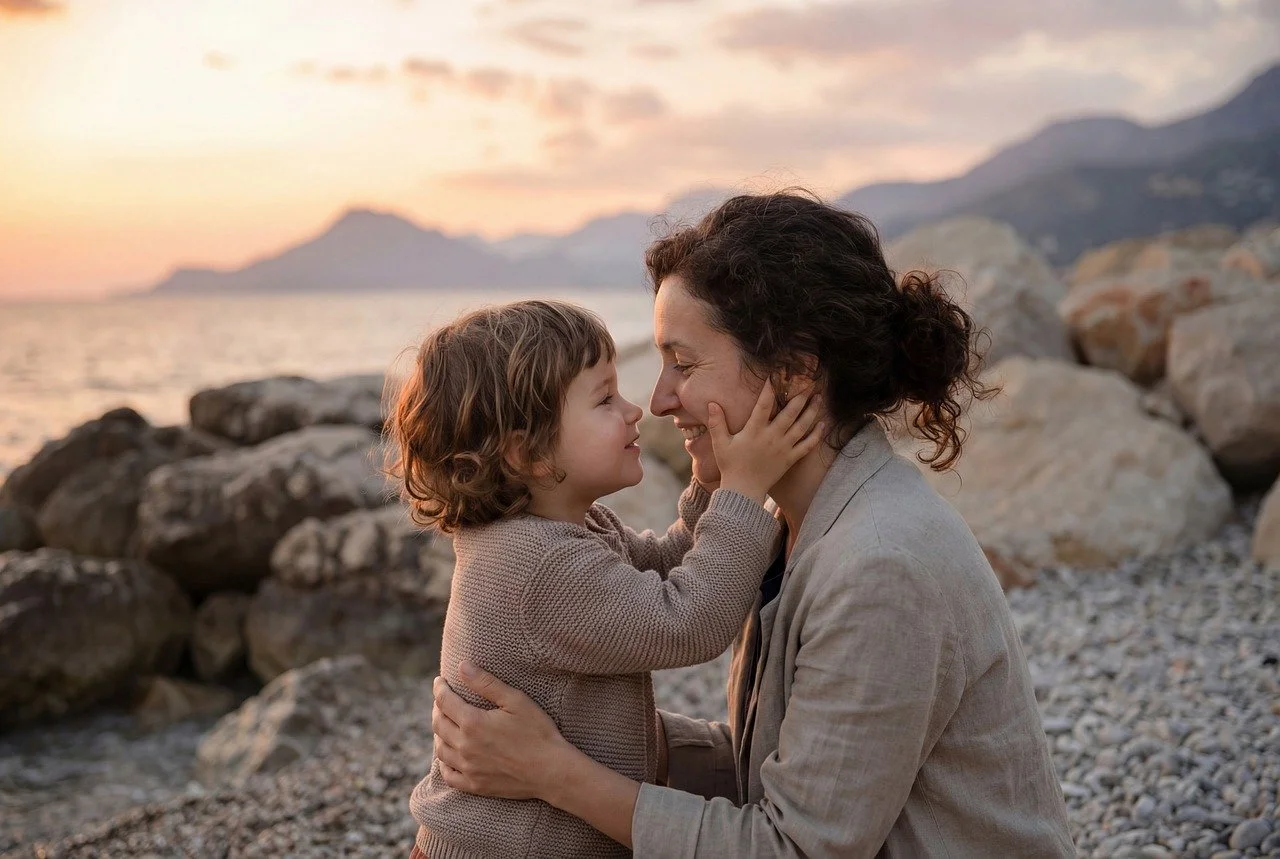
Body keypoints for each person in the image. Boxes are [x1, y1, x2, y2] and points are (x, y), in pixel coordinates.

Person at [428, 193, 1076, 857]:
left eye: (683, 363)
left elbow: (793, 845)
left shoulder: (879, 566)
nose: (657, 400)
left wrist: (555, 772)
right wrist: (589, 740)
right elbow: (785, 769)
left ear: (792, 374)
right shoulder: (796, 521)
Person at [386, 299, 824, 858]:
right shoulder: (536, 564)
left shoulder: (564, 530)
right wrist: (744, 490)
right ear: (527, 453)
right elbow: (688, 622)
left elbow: (668, 568)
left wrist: (713, 485)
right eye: (605, 399)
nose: (634, 409)